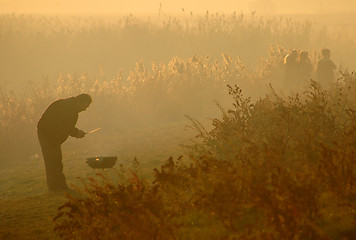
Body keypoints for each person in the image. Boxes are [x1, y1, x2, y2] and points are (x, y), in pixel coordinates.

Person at [37, 93, 92, 192]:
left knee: (57, 160)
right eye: (86, 106)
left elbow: (65, 125)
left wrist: (75, 132)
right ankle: (54, 188)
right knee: (51, 161)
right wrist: (76, 133)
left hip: (53, 135)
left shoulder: (71, 108)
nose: (85, 109)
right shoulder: (68, 108)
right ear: (81, 102)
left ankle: (61, 185)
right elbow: (65, 125)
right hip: (46, 133)